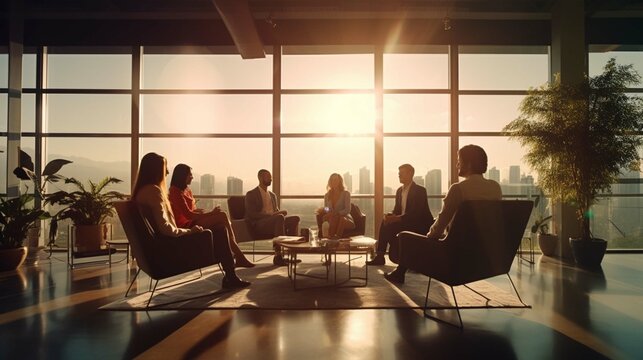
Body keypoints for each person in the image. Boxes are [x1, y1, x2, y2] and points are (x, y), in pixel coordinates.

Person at [383, 145, 502, 284]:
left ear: (468, 164)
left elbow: (440, 225)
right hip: (485, 253)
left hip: (456, 251)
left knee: (405, 236)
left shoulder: (458, 189)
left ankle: (400, 273)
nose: (457, 165)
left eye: (459, 161)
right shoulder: (495, 187)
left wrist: (429, 234)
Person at [132, 152, 250, 290]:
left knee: (219, 228)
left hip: (164, 244)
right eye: (165, 168)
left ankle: (231, 274)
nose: (168, 172)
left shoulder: (144, 192)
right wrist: (190, 231)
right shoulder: (154, 192)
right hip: (172, 246)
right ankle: (231, 276)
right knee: (220, 230)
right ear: (156, 170)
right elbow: (166, 227)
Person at [168, 163, 254, 268]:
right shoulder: (175, 191)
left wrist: (206, 212)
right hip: (187, 225)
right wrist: (212, 213)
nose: (192, 177)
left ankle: (236, 253)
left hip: (193, 221)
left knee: (223, 223)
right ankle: (238, 254)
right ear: (182, 176)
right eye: (190, 175)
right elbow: (189, 215)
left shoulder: (187, 190)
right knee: (222, 216)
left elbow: (193, 210)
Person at [367, 164, 433, 266]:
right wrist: (391, 215)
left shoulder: (420, 190)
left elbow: (416, 213)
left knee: (389, 226)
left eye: (401, 173)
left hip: (418, 224)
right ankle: (381, 256)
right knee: (385, 222)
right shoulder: (399, 191)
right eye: (399, 173)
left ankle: (398, 256)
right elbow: (397, 210)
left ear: (410, 174)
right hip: (405, 222)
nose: (399, 175)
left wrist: (396, 218)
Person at [245, 169, 300, 266]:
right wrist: (270, 215)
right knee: (279, 218)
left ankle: (291, 254)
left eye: (271, 177)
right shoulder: (251, 194)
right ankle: (278, 256)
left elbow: (276, 212)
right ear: (260, 178)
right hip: (260, 224)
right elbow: (251, 214)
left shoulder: (273, 195)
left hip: (275, 221)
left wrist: (281, 213)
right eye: (268, 177)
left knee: (295, 218)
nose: (271, 179)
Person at [318, 173, 355, 238]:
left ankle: (336, 238)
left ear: (339, 181)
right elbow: (326, 208)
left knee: (341, 219)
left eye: (335, 180)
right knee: (333, 218)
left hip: (345, 219)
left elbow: (347, 210)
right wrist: (327, 211)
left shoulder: (346, 194)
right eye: (332, 180)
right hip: (333, 218)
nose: (334, 182)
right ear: (330, 182)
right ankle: (332, 239)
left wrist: (337, 213)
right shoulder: (327, 195)